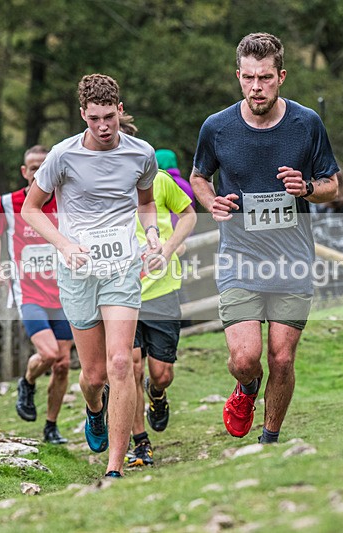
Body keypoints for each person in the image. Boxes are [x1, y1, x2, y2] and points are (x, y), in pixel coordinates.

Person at [190, 33, 339, 444]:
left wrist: (307, 187)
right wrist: (211, 203)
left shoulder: (306, 123)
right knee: (245, 358)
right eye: (249, 78)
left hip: (293, 259)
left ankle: (269, 439)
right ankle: (247, 387)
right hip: (240, 257)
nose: (257, 87)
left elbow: (333, 185)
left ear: (281, 77)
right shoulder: (217, 127)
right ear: (239, 76)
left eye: (266, 78)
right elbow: (199, 176)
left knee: (283, 358)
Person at [22, 73, 161, 478]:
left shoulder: (142, 154)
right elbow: (32, 209)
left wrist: (150, 233)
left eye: (109, 118)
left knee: (121, 364)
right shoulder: (62, 156)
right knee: (94, 376)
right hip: (78, 271)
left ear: (120, 111)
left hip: (121, 267)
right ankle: (94, 409)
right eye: (94, 118)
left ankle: (115, 466)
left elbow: (147, 201)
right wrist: (64, 245)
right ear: (83, 114)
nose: (102, 127)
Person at [118, 116, 197, 467]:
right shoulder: (101, 188)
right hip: (122, 292)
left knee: (160, 372)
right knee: (130, 368)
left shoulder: (161, 181)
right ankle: (140, 442)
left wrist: (168, 249)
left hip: (162, 290)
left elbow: (190, 215)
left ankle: (158, 395)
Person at [0, 145, 73, 445]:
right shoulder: (9, 203)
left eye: (43, 166)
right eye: (32, 167)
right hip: (29, 294)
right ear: (25, 172)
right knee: (49, 354)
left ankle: (51, 426)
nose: (37, 172)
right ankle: (28, 380)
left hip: (64, 294)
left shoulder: (65, 201)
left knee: (62, 364)